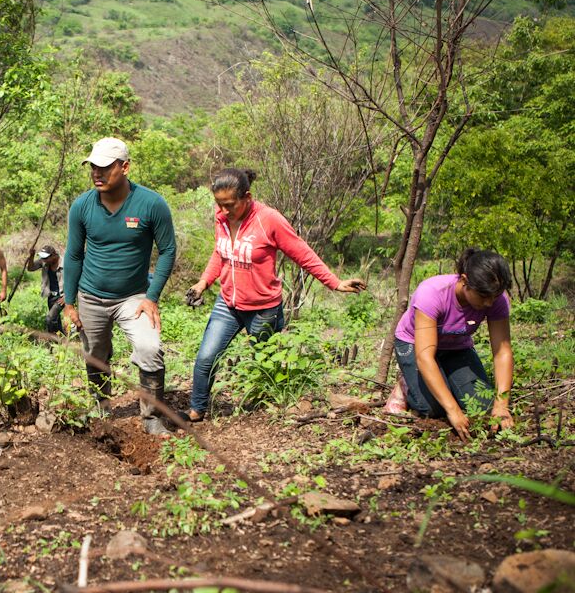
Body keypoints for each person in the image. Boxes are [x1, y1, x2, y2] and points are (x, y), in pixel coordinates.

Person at [185, 168, 366, 422]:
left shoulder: (269, 219)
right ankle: (196, 410)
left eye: (230, 204)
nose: (224, 211)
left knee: (266, 364)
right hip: (228, 303)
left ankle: (271, 412)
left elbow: (301, 253)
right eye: (219, 204)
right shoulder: (222, 218)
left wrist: (334, 283)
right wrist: (203, 282)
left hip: (263, 309)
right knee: (206, 357)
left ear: (247, 197)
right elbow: (220, 253)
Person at [63, 137, 177, 435]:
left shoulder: (151, 203)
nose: (97, 174)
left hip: (134, 297)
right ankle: (100, 407)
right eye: (93, 167)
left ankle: (152, 417)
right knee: (96, 354)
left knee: (150, 348)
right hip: (90, 296)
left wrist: (152, 298)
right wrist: (69, 302)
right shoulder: (82, 206)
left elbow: (167, 250)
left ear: (124, 167)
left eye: (104, 167)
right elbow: (74, 254)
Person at [387, 248, 514, 440]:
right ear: (464, 281)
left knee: (483, 404)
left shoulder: (495, 298)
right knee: (432, 407)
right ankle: (406, 385)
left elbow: (502, 352)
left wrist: (502, 404)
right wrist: (453, 409)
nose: (489, 303)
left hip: (456, 346)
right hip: (414, 346)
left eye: (494, 297)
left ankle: (445, 376)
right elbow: (425, 357)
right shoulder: (432, 293)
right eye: (483, 296)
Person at [26, 244, 65, 334]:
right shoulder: (44, 262)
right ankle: (60, 341)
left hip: (62, 296)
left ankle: (52, 340)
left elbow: (75, 279)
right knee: (55, 321)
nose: (44, 260)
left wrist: (67, 296)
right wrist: (31, 256)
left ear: (54, 255)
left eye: (46, 258)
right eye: (43, 258)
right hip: (51, 295)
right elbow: (30, 268)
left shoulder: (65, 263)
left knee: (50, 318)